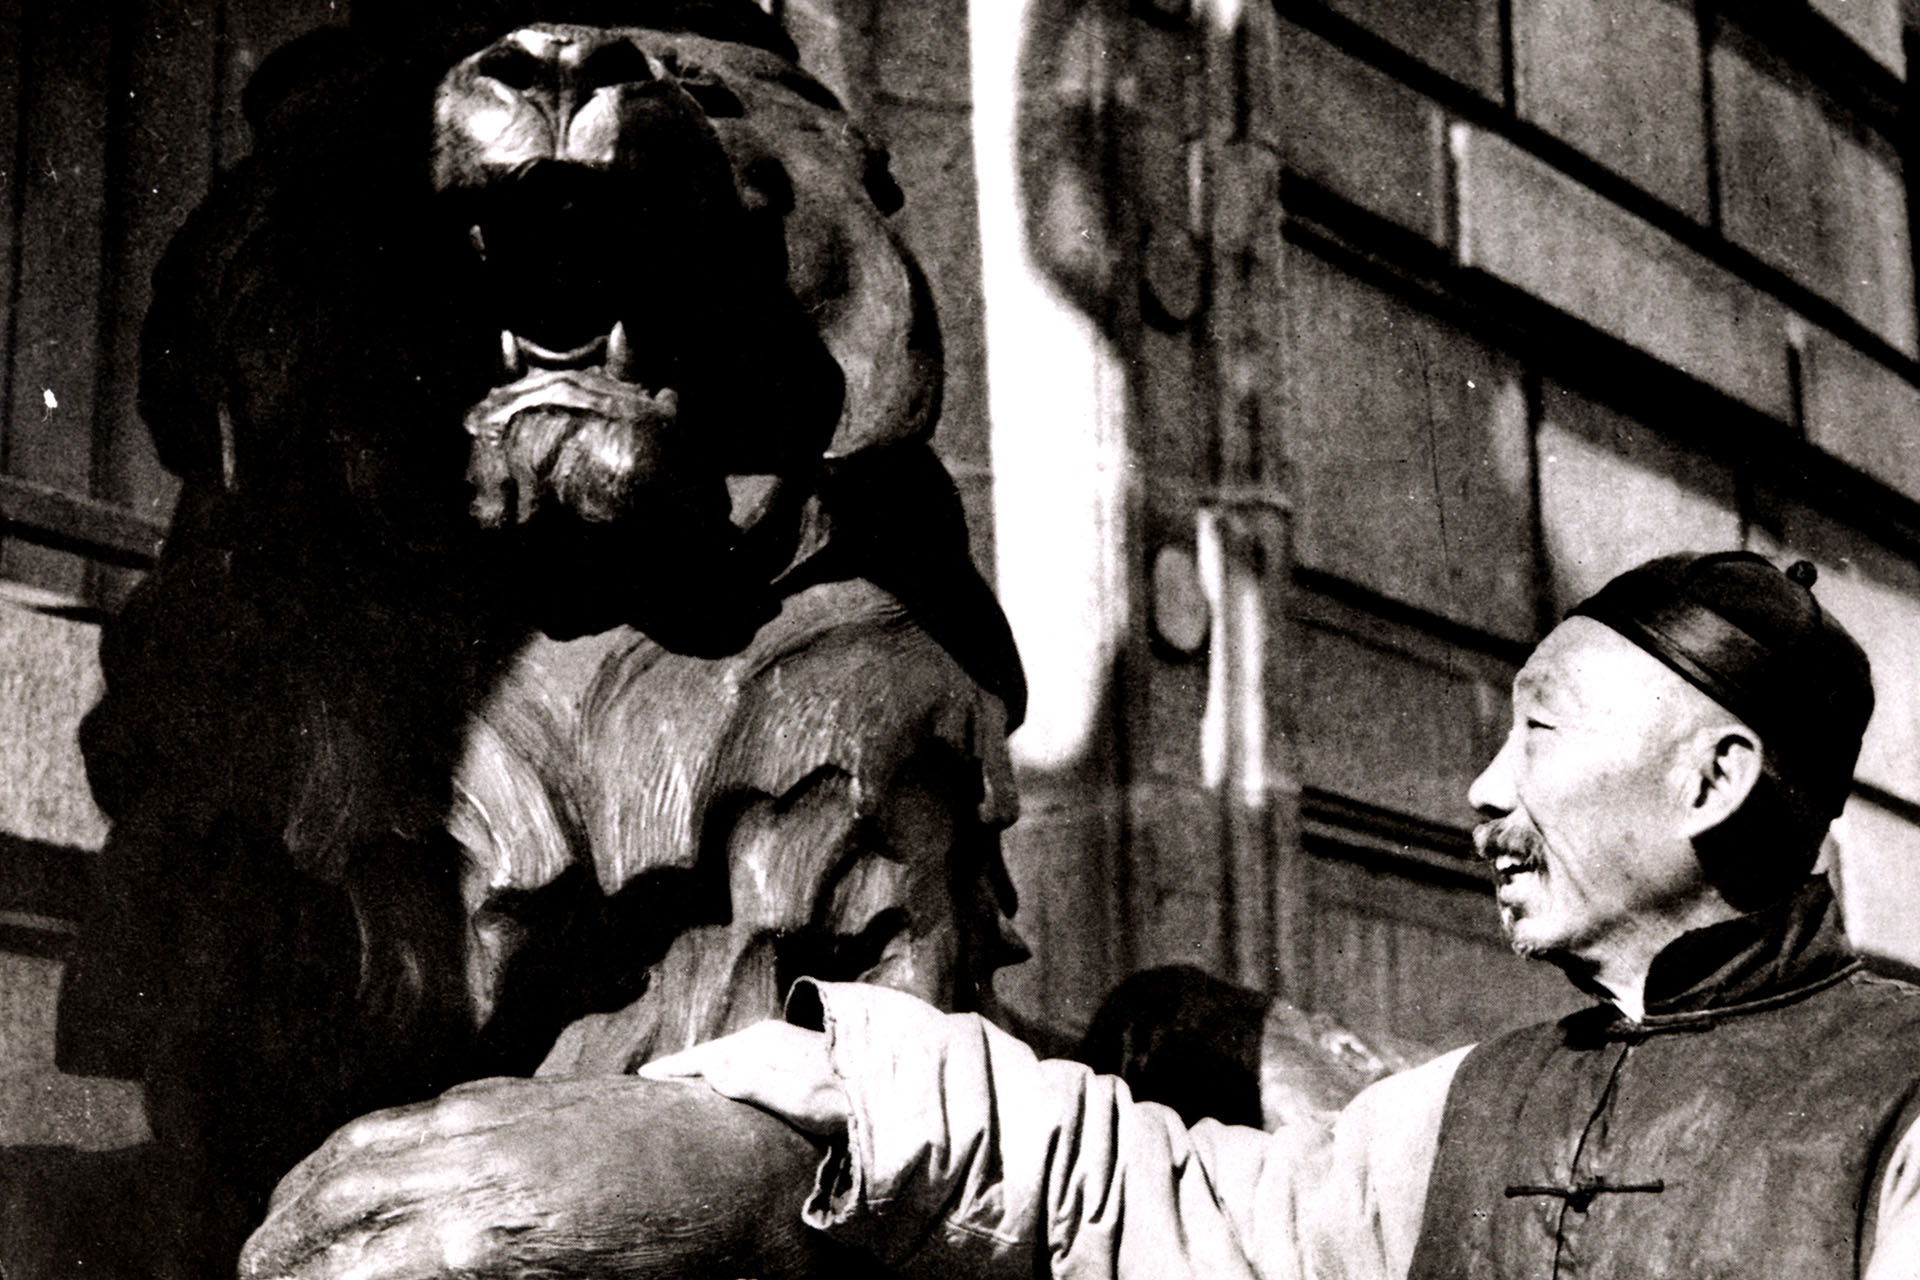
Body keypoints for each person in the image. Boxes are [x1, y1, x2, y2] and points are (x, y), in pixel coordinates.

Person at [237, 552, 1920, 1280]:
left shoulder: (1898, 1107)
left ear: (1711, 779)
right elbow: (1152, 1195)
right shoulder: (1476, 1111)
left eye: (1537, 731)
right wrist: (791, 1114)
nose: (1484, 789)